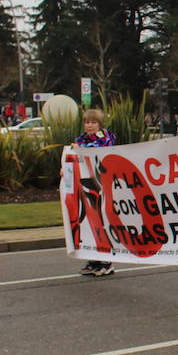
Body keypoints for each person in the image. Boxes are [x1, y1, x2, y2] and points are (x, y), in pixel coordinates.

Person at [75, 108, 117, 277]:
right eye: (87, 122)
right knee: (89, 221)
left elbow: (99, 148)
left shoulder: (103, 138)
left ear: (100, 124)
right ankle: (93, 259)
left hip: (102, 184)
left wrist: (80, 148)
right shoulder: (82, 139)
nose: (89, 125)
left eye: (93, 122)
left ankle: (106, 262)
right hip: (88, 185)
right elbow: (75, 156)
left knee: (102, 220)